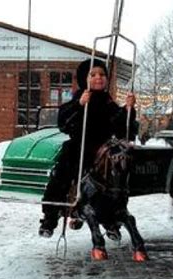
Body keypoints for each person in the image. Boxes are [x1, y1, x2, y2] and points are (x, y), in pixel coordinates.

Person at [39, 58, 137, 237]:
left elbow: (122, 128)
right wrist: (80, 105)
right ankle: (50, 216)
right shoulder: (78, 99)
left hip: (102, 148)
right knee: (61, 174)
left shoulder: (108, 103)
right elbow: (64, 124)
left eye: (102, 75)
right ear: (85, 78)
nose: (98, 78)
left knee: (117, 177)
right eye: (93, 75)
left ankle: (111, 218)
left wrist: (128, 110)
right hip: (80, 145)